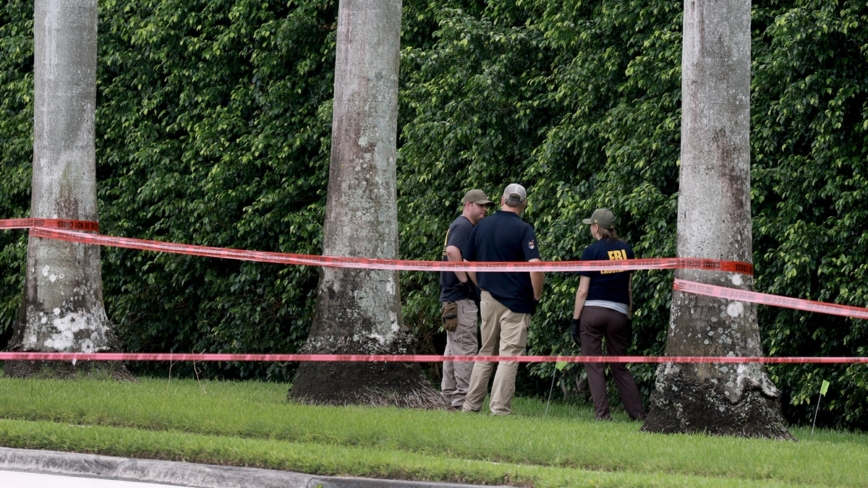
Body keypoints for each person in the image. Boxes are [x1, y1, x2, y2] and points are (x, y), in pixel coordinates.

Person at [461, 183, 543, 415]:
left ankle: (470, 406)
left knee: (485, 352)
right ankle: (498, 410)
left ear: (501, 200)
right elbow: (535, 267)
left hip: (488, 298)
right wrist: (536, 296)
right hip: (517, 302)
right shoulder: (524, 229)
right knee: (509, 356)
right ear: (524, 204)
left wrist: (482, 286)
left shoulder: (482, 226)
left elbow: (467, 263)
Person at [572, 208, 646, 421]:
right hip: (619, 313)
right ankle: (638, 415)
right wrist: (629, 316)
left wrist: (575, 320)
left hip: (593, 312)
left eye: (591, 226)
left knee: (594, 364)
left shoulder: (591, 251)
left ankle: (603, 415)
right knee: (619, 365)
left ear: (596, 227)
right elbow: (629, 288)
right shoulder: (627, 250)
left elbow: (582, 290)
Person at [439, 189, 493, 409]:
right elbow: (452, 251)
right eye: (481, 205)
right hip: (460, 298)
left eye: (486, 205)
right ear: (468, 205)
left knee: (453, 350)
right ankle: (463, 402)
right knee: (466, 349)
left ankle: (448, 398)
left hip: (451, 298)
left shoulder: (457, 224)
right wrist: (465, 281)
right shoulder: (463, 226)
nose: (485, 209)